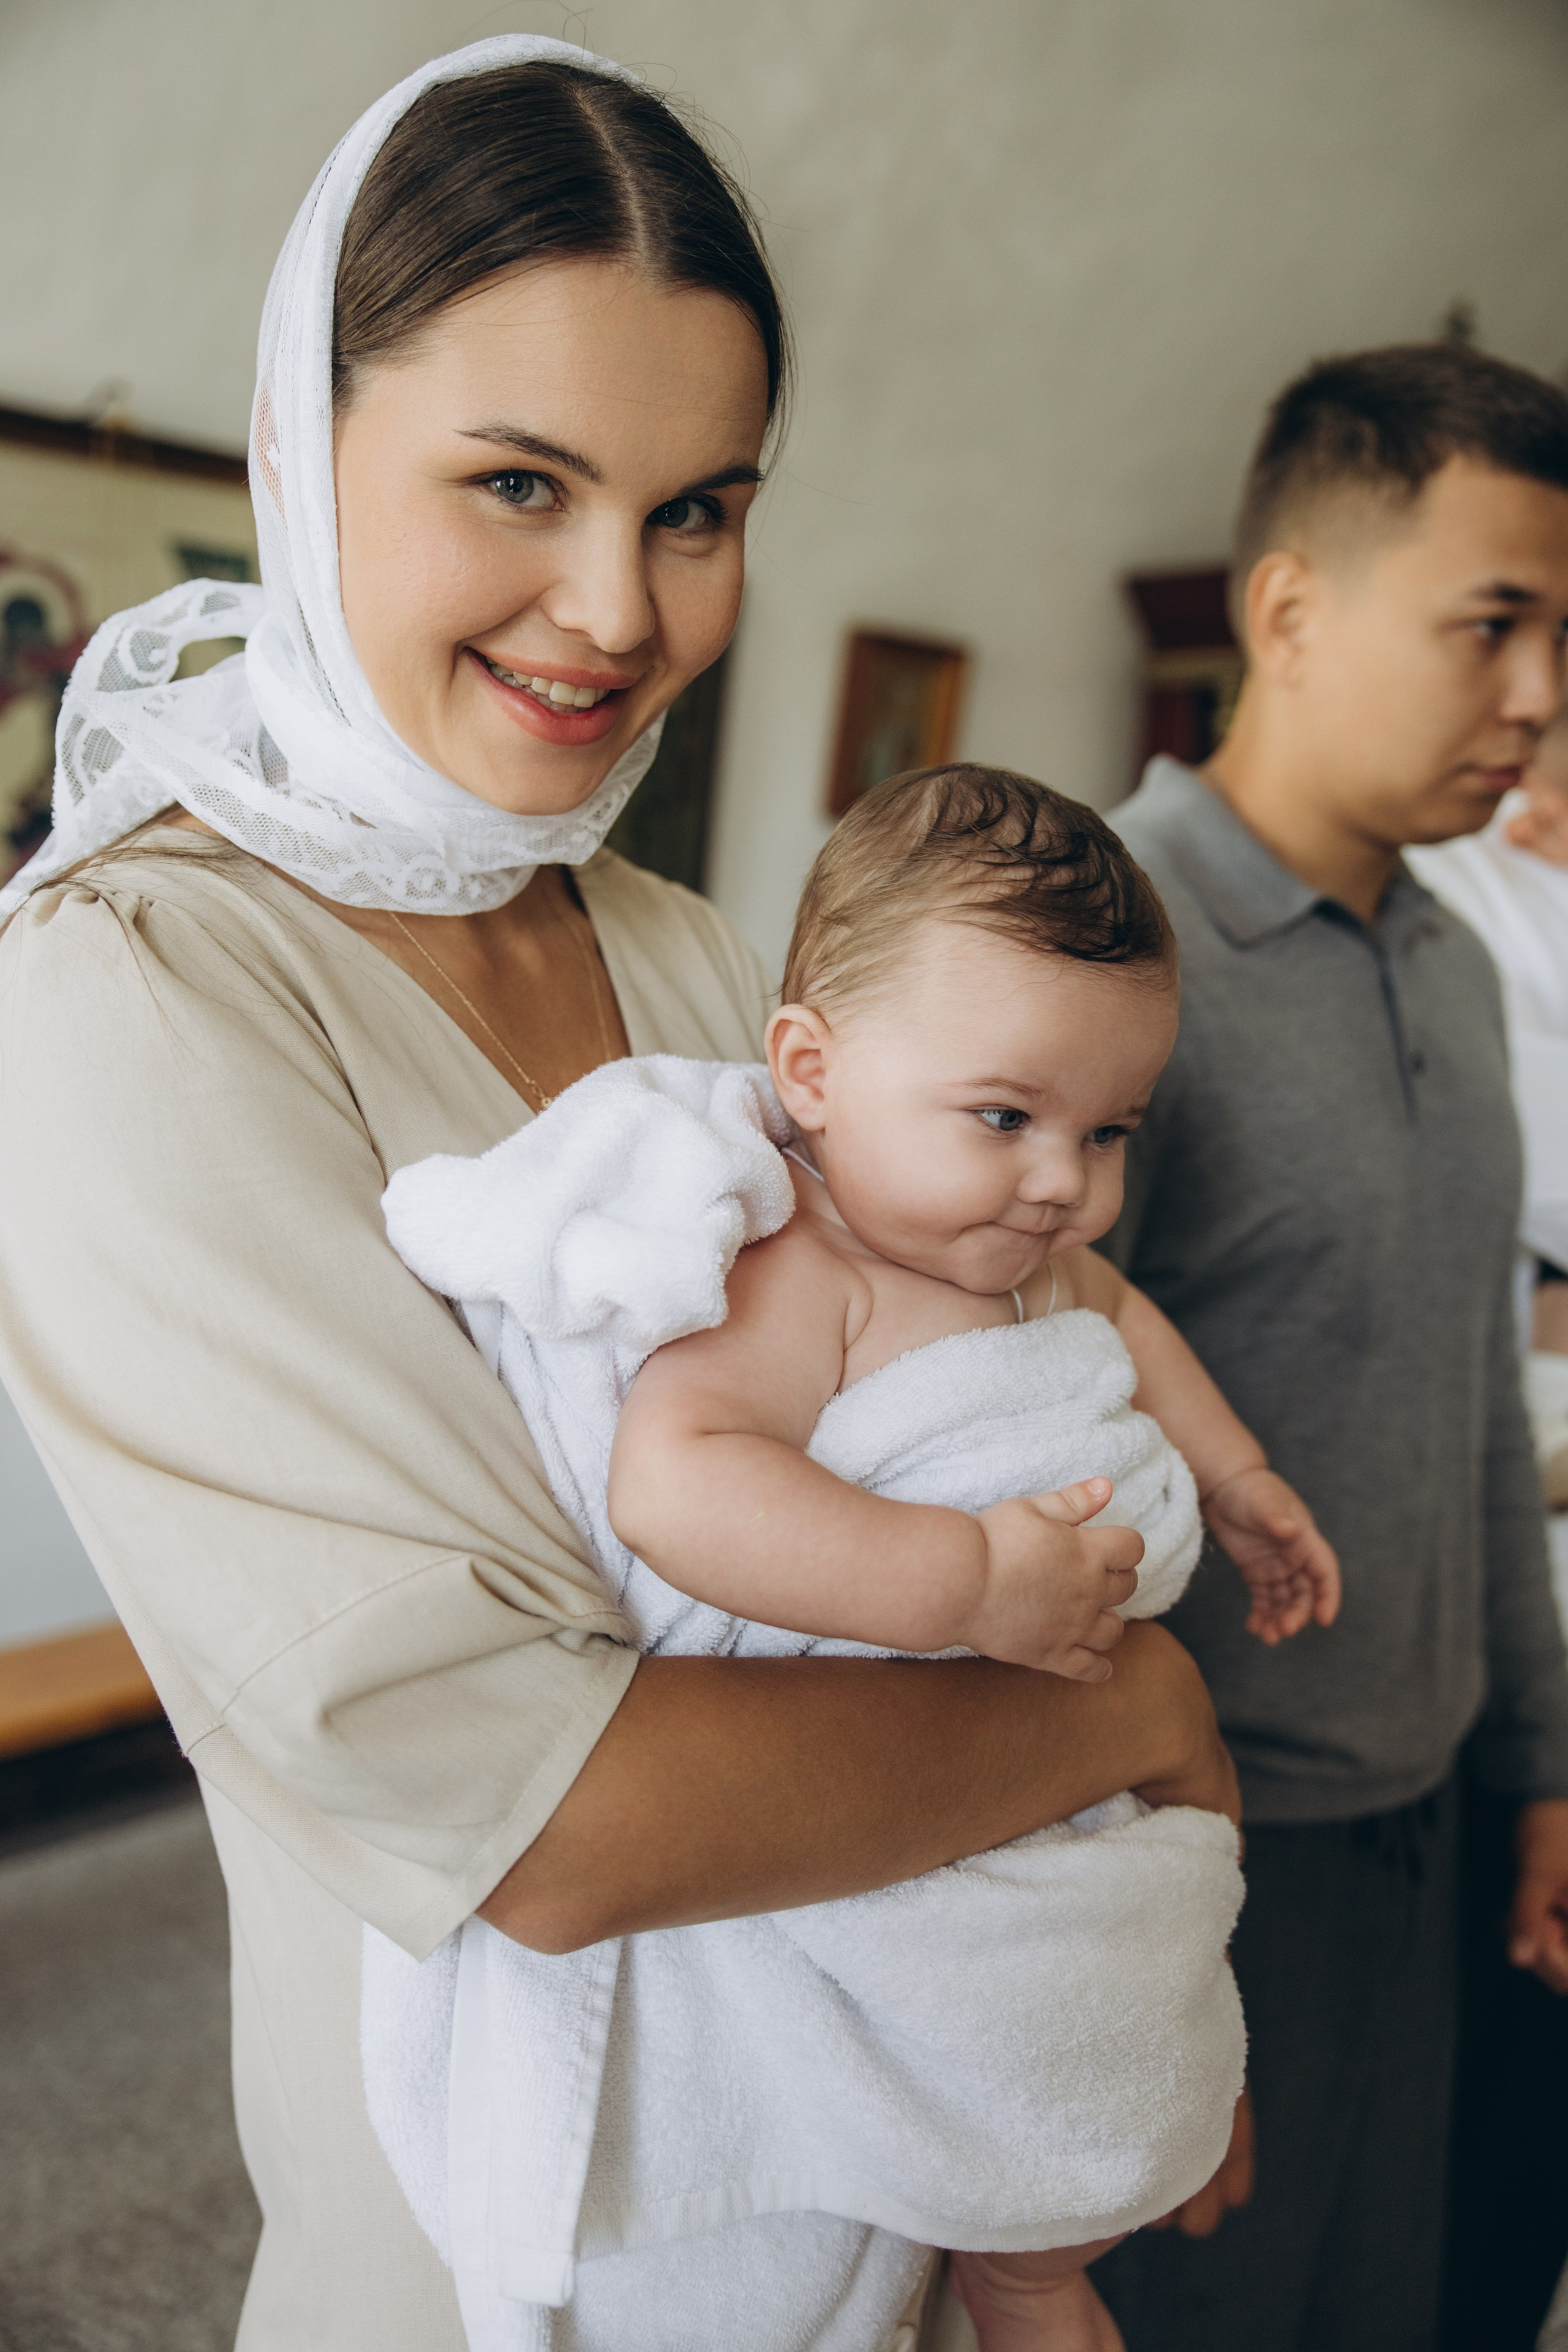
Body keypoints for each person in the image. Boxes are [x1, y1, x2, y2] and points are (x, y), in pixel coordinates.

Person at [0, 41, 1234, 2352]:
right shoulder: (132, 992)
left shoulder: (670, 945)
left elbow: (953, 1385)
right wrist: (1138, 1719)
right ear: (298, 452)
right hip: (496, 2249)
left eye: (697, 507)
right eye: (518, 482)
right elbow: (531, 1815)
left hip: (871, 2163)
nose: (613, 608)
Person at [374, 767, 1338, 2352]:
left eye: (1109, 1132)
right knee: (971, 2057)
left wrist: (1234, 1480)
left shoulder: (1031, 1259)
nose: (1061, 1185)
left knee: (1091, 2025)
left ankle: (1031, 2256)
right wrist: (960, 1579)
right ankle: (1014, 2255)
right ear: (812, 1072)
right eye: (1007, 1118)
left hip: (1048, 1795)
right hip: (886, 1783)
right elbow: (680, 1487)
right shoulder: (789, 1271)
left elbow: (1130, 1327)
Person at [1089, 342, 1568, 2352]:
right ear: (1288, 610)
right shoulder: (1101, 947)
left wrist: (1543, 1764)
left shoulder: (1455, 969)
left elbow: (1476, 1409)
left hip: (1439, 1828)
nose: (1540, 697)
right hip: (1197, 1855)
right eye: (1494, 625)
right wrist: (1128, 1953)